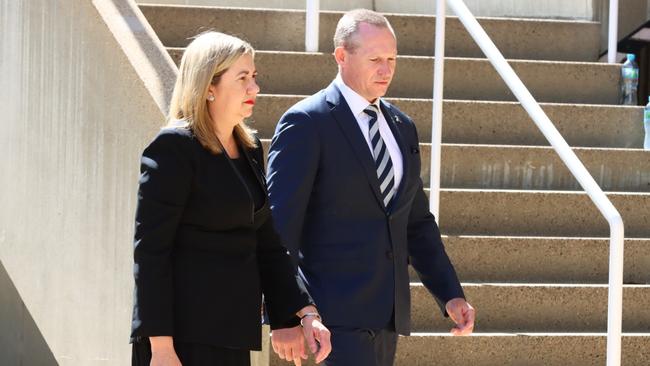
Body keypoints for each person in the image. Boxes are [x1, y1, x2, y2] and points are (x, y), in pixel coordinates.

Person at [266, 9, 475, 366]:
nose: (386, 69)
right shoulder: (306, 122)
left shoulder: (402, 126)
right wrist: (284, 314)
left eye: (392, 59)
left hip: (386, 320)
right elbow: (278, 226)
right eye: (375, 58)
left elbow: (415, 221)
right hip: (326, 323)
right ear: (342, 56)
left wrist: (450, 294)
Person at [130, 31, 331, 366]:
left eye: (254, 77)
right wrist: (161, 348)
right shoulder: (173, 149)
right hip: (181, 339)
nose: (254, 88)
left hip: (231, 334)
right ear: (209, 86)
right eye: (242, 78)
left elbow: (266, 243)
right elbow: (151, 253)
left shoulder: (250, 148)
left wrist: (301, 313)